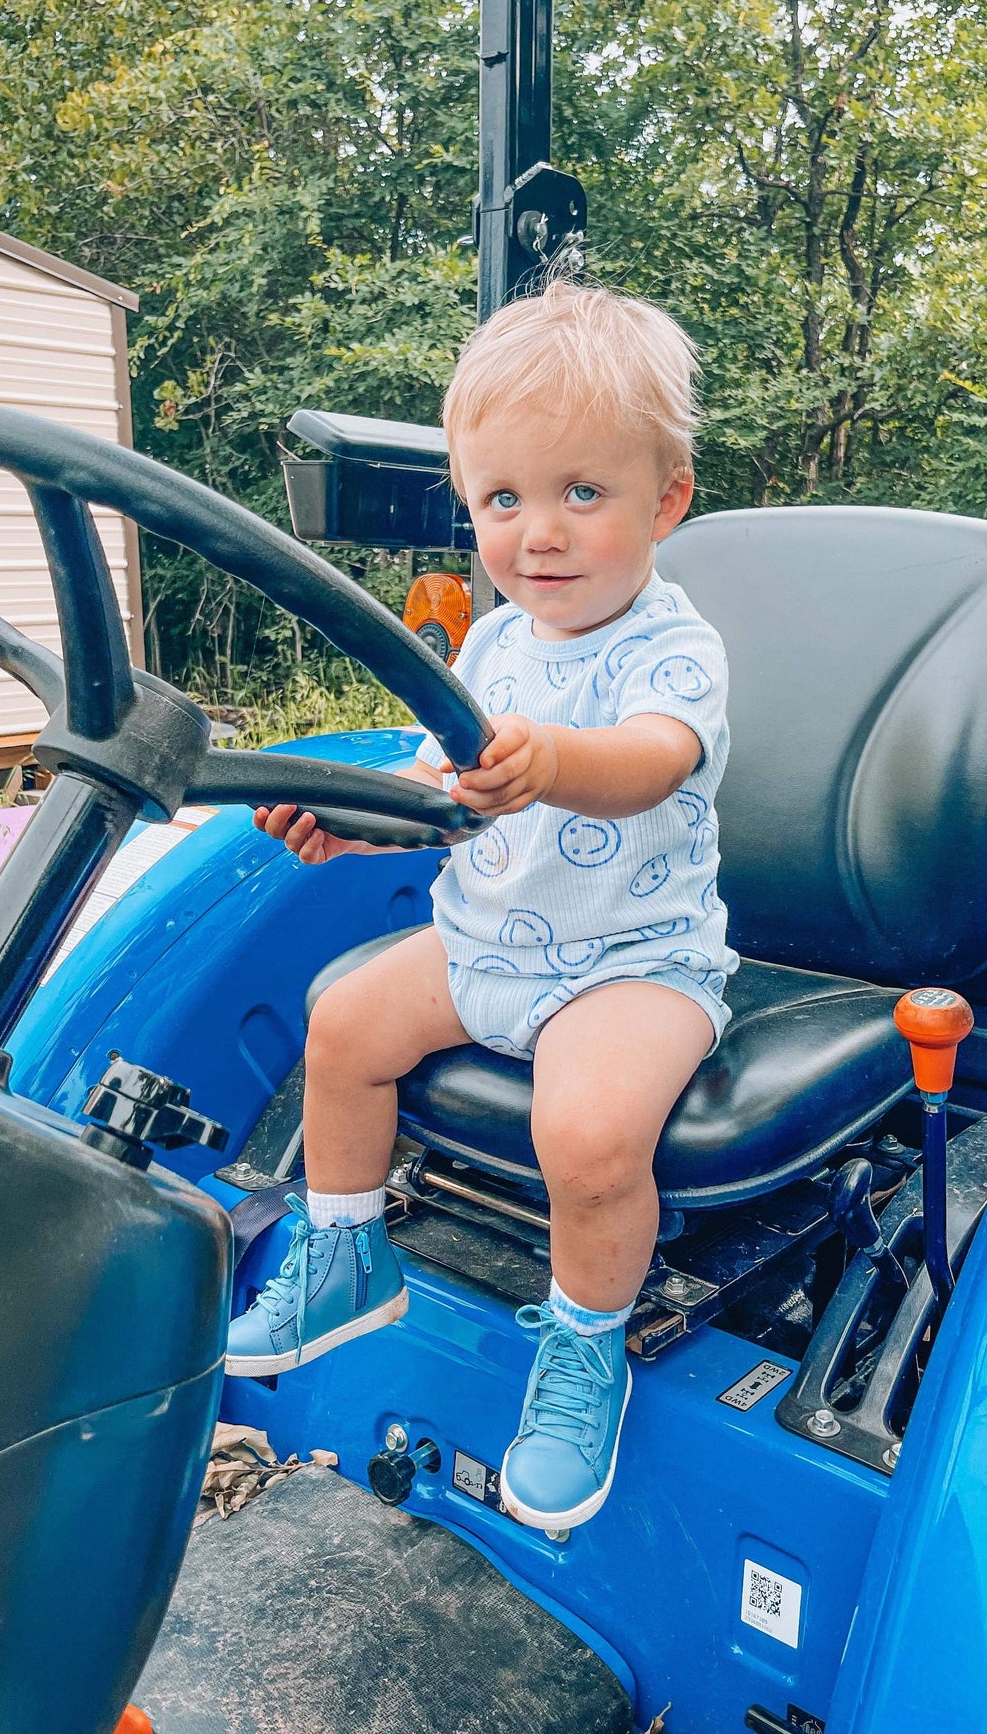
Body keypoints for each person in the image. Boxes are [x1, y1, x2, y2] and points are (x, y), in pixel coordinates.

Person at [226, 279, 736, 1531]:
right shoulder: (495, 643)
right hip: (487, 944)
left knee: (589, 1130)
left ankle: (583, 1347)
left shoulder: (675, 647)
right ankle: (347, 1254)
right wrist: (352, 823)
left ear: (664, 500)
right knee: (339, 1020)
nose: (538, 534)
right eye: (503, 499)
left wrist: (551, 760)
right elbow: (438, 784)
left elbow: (653, 758)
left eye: (581, 493)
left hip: (632, 963)